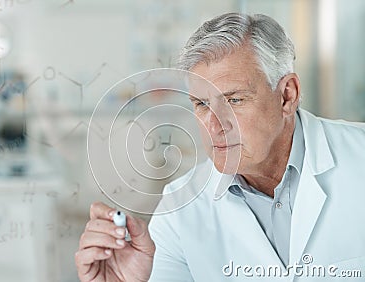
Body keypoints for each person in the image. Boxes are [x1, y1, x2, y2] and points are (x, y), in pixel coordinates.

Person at [75, 12, 365, 281]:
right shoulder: (178, 207)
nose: (215, 126)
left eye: (234, 100)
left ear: (287, 96)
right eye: (201, 104)